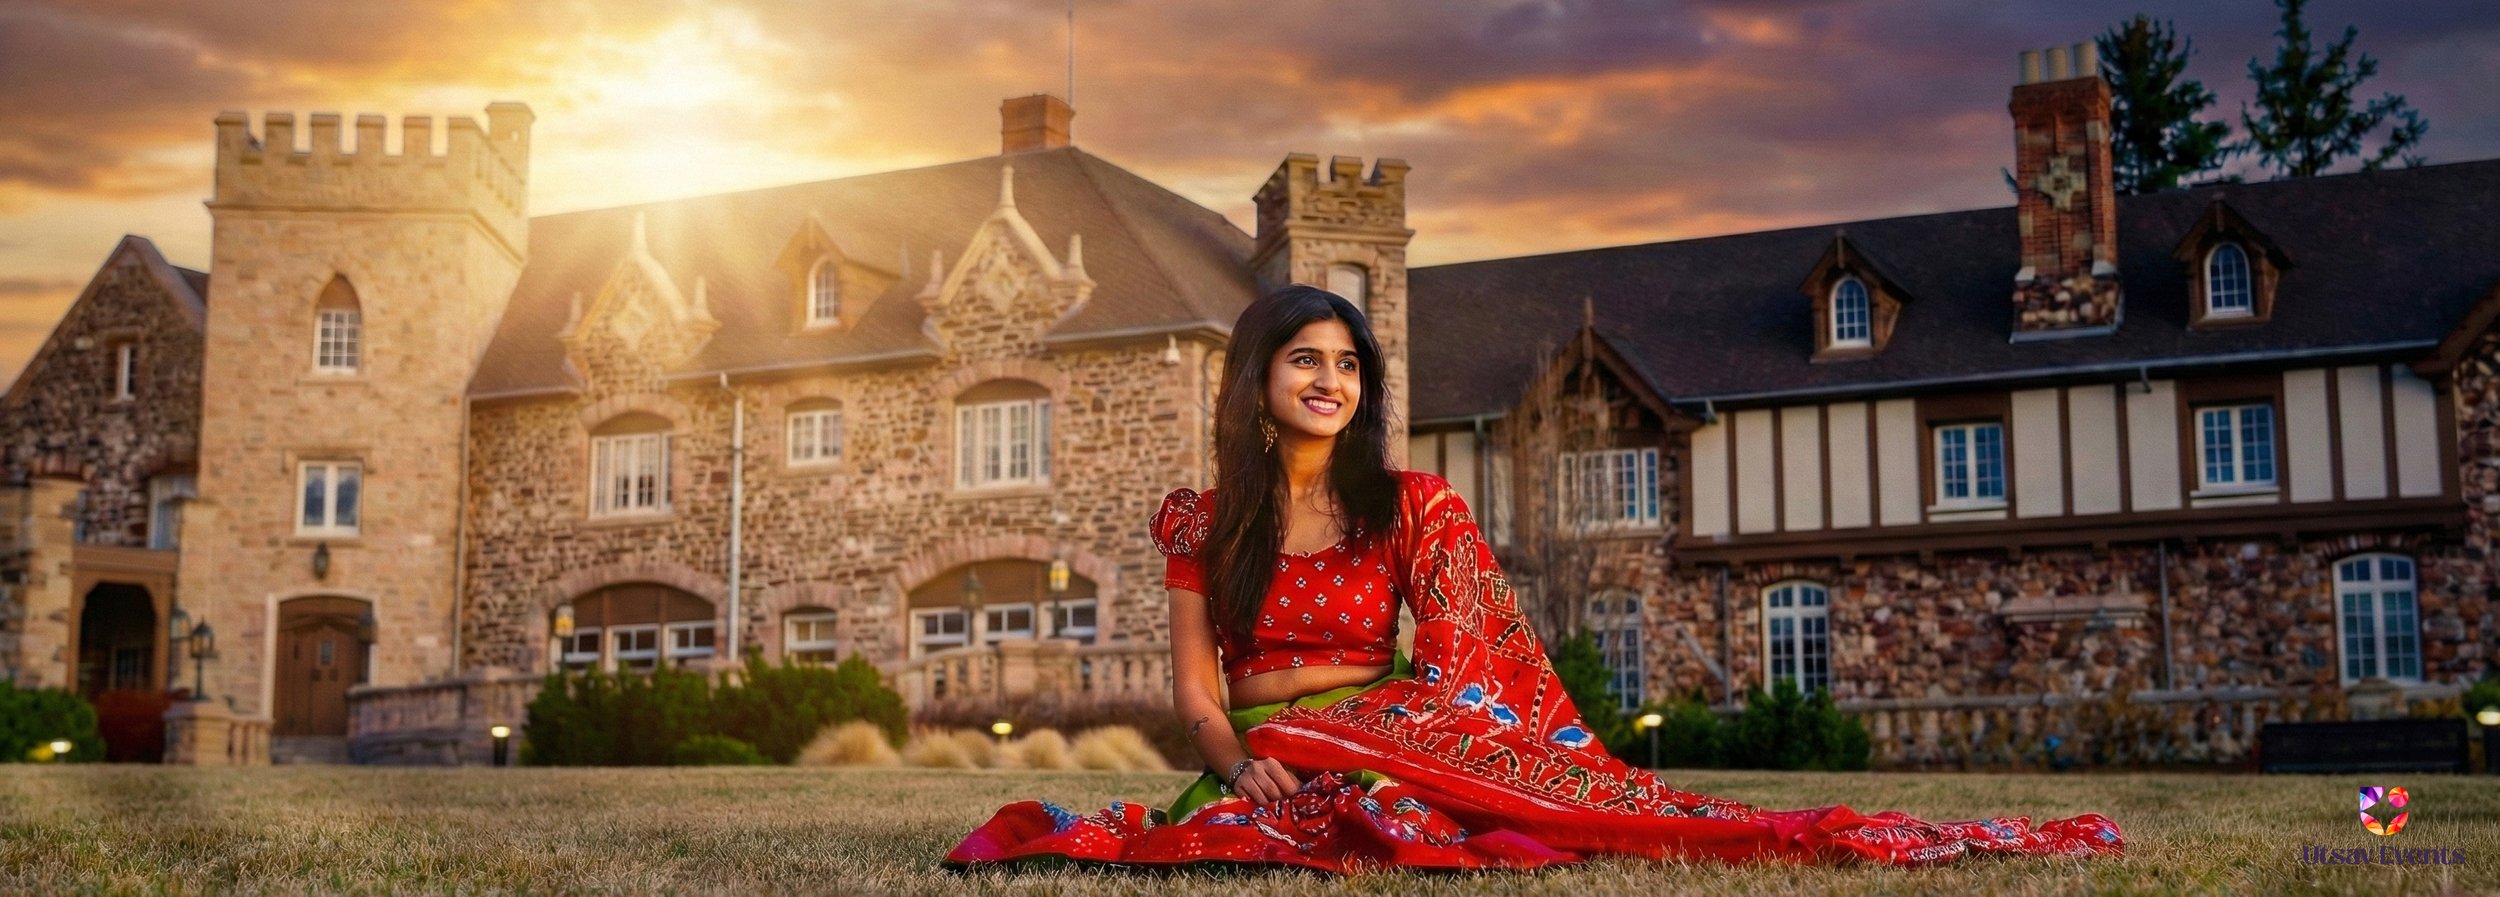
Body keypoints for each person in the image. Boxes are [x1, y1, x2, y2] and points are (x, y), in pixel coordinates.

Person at [946, 285, 2123, 872]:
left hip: (1388, 725)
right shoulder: (1199, 520)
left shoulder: (1410, 505)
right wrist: (1238, 762)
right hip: (1258, 752)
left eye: (1348, 365)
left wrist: (1392, 733)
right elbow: (1195, 692)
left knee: (1441, 815)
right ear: (1253, 377)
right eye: (1304, 360)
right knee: (1271, 837)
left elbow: (1473, 662)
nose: (1329, 381)